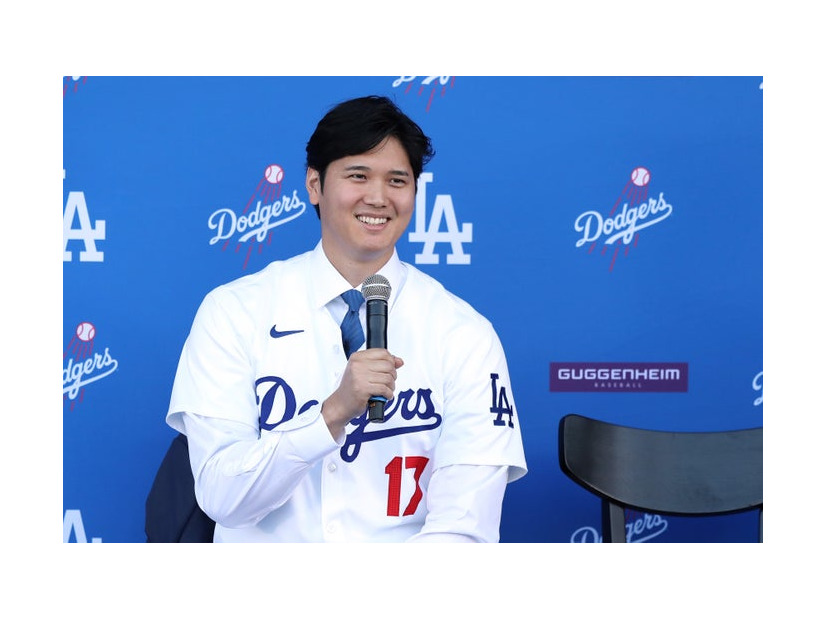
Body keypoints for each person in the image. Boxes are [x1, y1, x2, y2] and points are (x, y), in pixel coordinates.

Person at [166, 95, 527, 542]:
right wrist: (331, 415)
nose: (378, 197)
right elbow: (223, 498)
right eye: (358, 175)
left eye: (398, 180)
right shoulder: (233, 311)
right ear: (314, 185)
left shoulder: (464, 333)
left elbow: (464, 528)